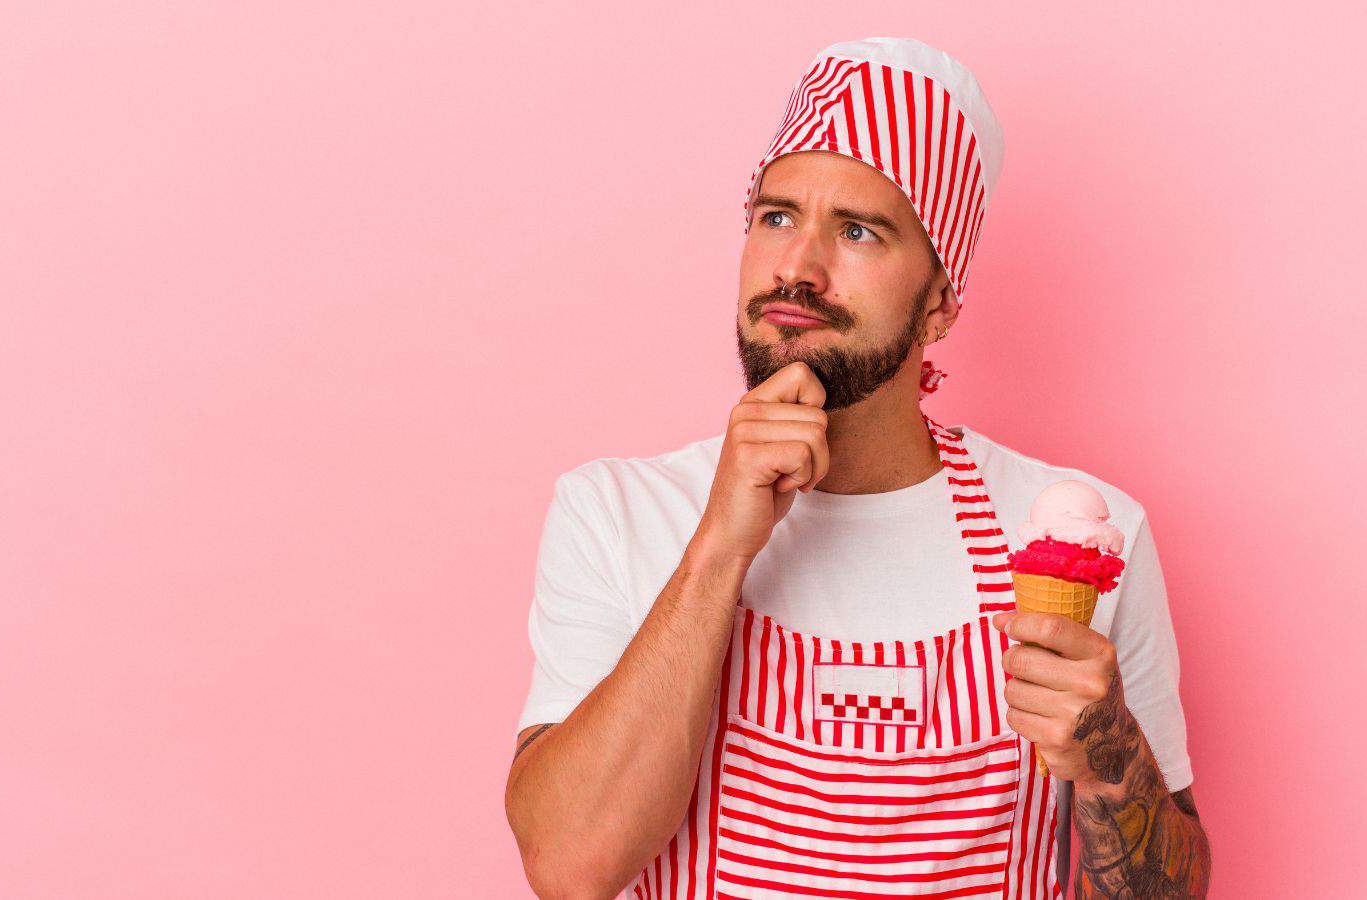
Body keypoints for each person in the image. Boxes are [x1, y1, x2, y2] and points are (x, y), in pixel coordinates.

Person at [504, 37, 1211, 899]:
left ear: (941, 301)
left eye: (859, 231)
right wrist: (721, 548)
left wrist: (1107, 757)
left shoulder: (1077, 536)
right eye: (776, 215)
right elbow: (568, 869)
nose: (797, 268)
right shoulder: (617, 511)